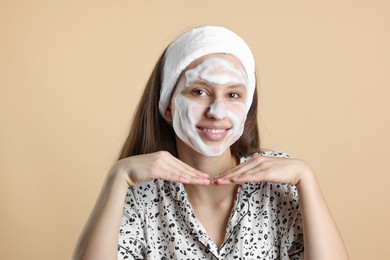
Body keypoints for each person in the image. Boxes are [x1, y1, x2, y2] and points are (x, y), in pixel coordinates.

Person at [73, 26, 349, 260]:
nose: (216, 112)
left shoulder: (279, 184)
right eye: (200, 91)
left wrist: (306, 179)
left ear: (247, 108)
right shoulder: (139, 193)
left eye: (232, 95)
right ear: (168, 106)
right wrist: (117, 177)